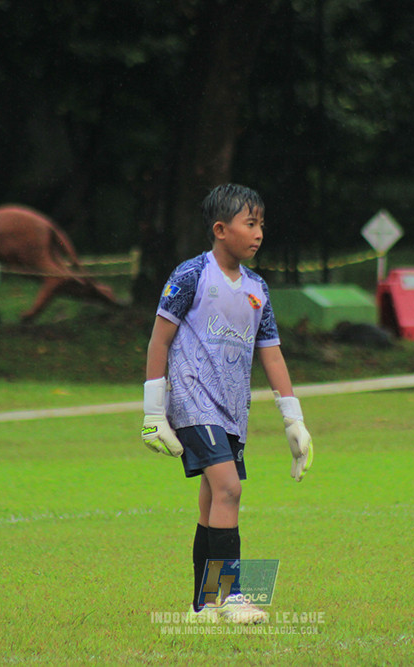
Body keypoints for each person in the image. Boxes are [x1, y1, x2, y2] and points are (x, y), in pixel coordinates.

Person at [142, 183, 314, 625]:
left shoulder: (258, 288)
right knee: (230, 490)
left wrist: (293, 420)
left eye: (261, 225)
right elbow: (159, 339)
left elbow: (271, 352)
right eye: (249, 224)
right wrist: (153, 412)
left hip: (232, 411)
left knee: (211, 501)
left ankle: (203, 607)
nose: (258, 234)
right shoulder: (191, 275)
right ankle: (230, 597)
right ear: (221, 229)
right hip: (192, 400)